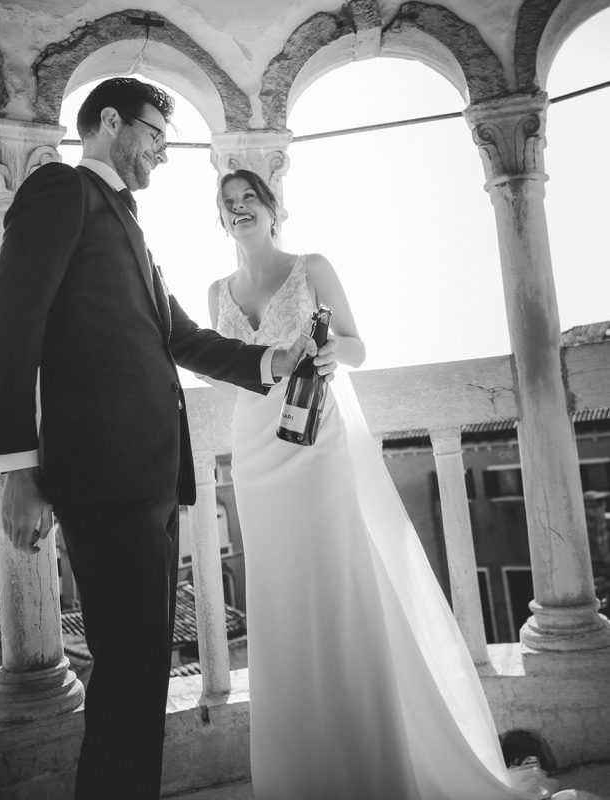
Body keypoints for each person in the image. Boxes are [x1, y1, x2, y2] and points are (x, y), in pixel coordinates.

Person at [0, 78, 336, 800]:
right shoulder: (60, 191)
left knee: (138, 670)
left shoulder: (129, 226)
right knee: (128, 671)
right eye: (154, 137)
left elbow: (177, 337)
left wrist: (274, 361)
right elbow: (7, 323)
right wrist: (17, 468)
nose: (162, 155)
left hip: (147, 479)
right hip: (102, 478)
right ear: (110, 121)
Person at [208, 168, 559, 800]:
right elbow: (228, 369)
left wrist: (328, 354)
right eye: (229, 204)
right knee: (281, 596)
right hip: (255, 453)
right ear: (221, 216)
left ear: (272, 207)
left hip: (317, 442)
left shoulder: (310, 266)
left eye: (250, 199)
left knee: (337, 581)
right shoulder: (217, 292)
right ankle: (304, 766)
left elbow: (359, 346)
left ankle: (370, 755)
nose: (240, 210)